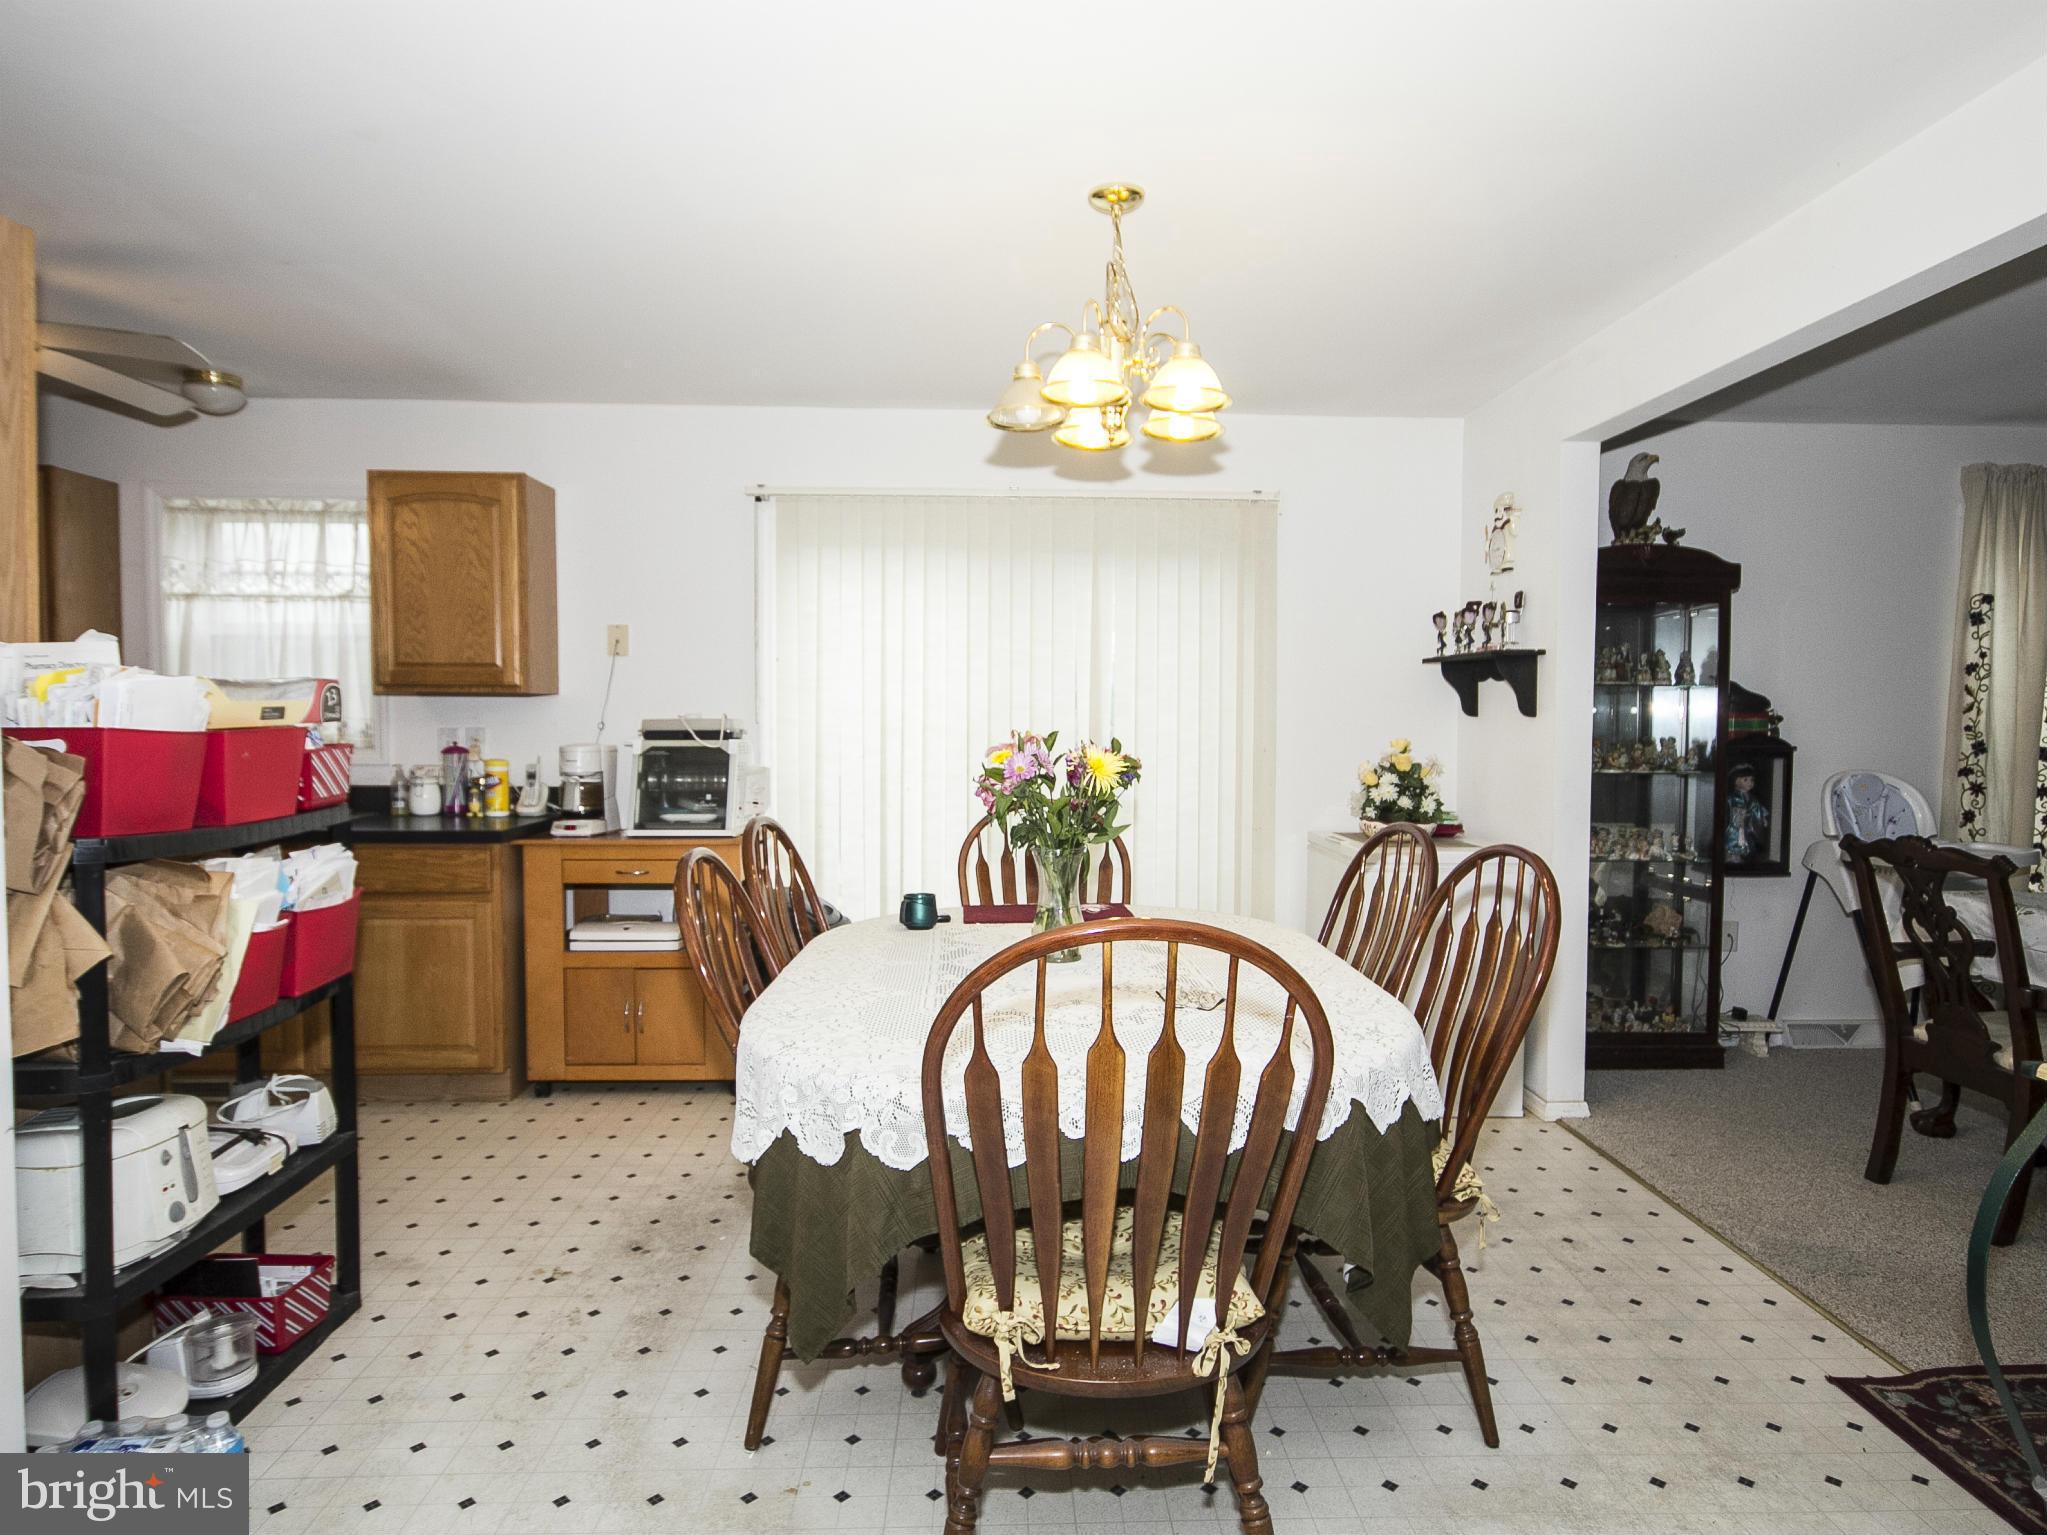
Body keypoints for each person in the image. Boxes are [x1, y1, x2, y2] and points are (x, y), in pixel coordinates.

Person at [1725, 763, 1769, 863]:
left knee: (1748, 841)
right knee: (1734, 839)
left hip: (1747, 825)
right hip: (1735, 824)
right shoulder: (1732, 797)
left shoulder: (1752, 799)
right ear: (1736, 781)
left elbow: (1757, 808)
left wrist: (1763, 818)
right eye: (1745, 780)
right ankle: (1733, 856)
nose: (1750, 783)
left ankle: (1744, 856)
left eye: (1751, 780)